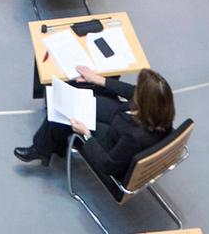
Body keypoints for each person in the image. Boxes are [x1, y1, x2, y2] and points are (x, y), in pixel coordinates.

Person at [15, 67, 176, 172]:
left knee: (65, 115)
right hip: (122, 120)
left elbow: (108, 164)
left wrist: (86, 134)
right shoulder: (161, 112)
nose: (136, 91)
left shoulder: (133, 138)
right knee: (85, 94)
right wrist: (98, 79)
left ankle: (41, 149)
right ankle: (55, 145)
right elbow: (132, 91)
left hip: (109, 143)